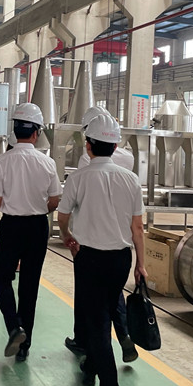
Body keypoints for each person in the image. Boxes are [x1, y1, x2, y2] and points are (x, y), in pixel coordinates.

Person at [57, 112, 147, 386]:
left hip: (90, 259)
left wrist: (68, 236)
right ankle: (90, 367)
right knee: (107, 311)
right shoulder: (131, 179)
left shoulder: (79, 178)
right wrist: (141, 264)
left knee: (97, 326)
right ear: (116, 146)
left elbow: (62, 216)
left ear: (88, 145)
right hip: (120, 259)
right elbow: (138, 228)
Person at [0, 103, 62, 362]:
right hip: (37, 227)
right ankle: (24, 346)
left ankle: (13, 327)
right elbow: (55, 200)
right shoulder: (47, 163)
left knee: (2, 278)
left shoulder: (3, 161)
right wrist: (40, 208)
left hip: (11, 226)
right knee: (29, 285)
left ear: (15, 130)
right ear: (37, 132)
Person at [65, 106, 138, 365]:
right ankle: (124, 333)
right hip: (119, 243)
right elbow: (137, 224)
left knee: (90, 301)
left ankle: (86, 344)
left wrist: (67, 235)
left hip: (90, 242)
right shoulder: (128, 160)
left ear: (89, 139)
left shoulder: (86, 164)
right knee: (114, 293)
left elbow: (69, 208)